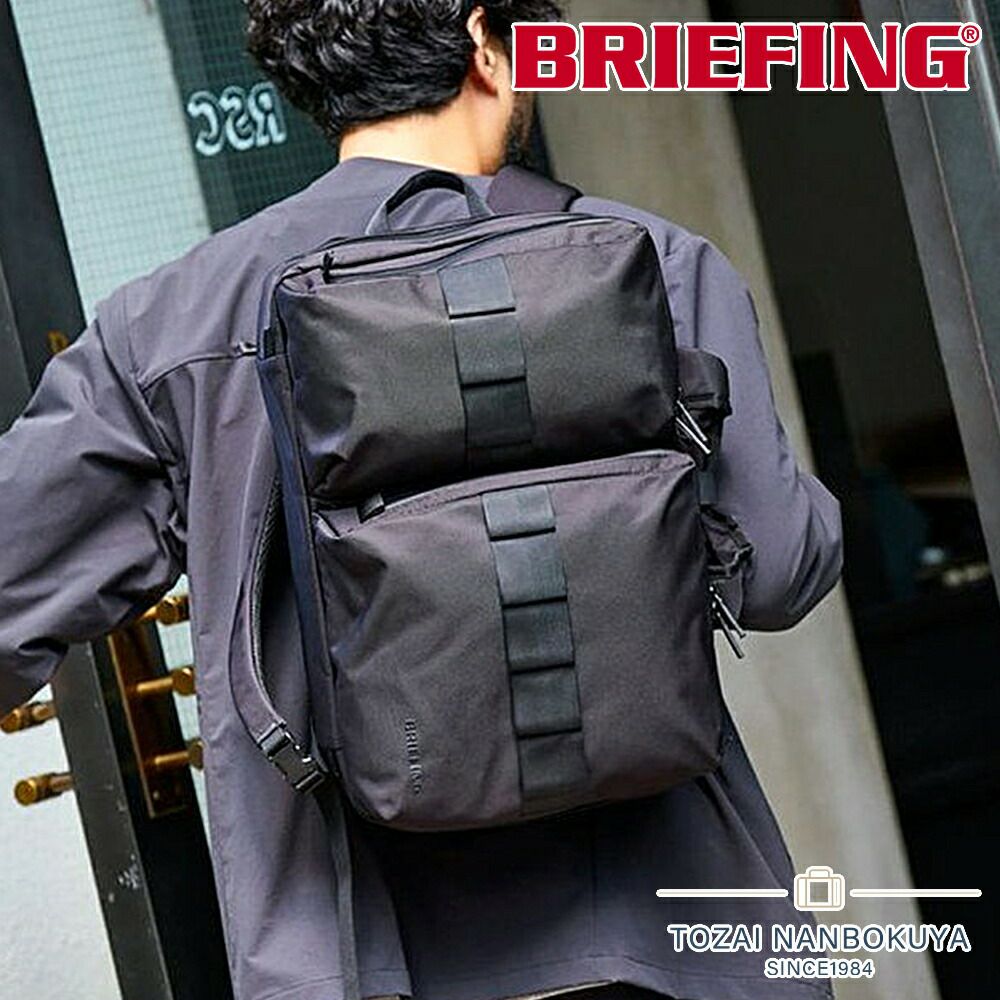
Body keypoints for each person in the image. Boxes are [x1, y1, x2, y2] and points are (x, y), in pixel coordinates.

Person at [0, 3, 842, 999]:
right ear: (485, 40)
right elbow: (778, 571)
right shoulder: (653, 261)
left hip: (360, 955)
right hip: (674, 935)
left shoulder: (171, 328)